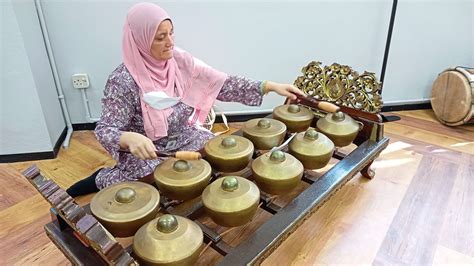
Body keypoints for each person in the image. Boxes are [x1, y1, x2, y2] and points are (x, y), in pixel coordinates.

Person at [66, 2, 305, 197]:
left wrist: (269, 87)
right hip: (149, 152)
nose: (170, 42)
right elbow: (106, 129)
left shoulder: (179, 61)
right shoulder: (123, 80)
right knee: (151, 186)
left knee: (219, 157)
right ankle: (102, 178)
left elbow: (221, 83)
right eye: (160, 37)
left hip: (185, 136)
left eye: (171, 33)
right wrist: (128, 137)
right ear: (139, 39)